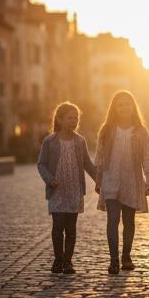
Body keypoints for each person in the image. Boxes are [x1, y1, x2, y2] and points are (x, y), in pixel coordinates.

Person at [94, 90, 149, 275]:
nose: (124, 107)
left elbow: (148, 156)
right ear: (114, 108)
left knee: (129, 221)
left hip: (132, 182)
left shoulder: (140, 131)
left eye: (127, 104)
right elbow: (100, 156)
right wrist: (98, 180)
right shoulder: (107, 131)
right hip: (111, 180)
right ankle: (113, 260)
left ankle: (126, 256)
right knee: (112, 220)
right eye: (120, 104)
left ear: (133, 107)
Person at [37, 102, 97, 275]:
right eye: (70, 117)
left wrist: (99, 181)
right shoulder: (50, 141)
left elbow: (87, 164)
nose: (74, 121)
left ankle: (68, 262)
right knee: (58, 227)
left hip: (74, 191)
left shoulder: (80, 141)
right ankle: (58, 260)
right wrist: (49, 179)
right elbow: (41, 164)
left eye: (76, 117)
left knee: (71, 228)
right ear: (60, 119)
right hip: (57, 191)